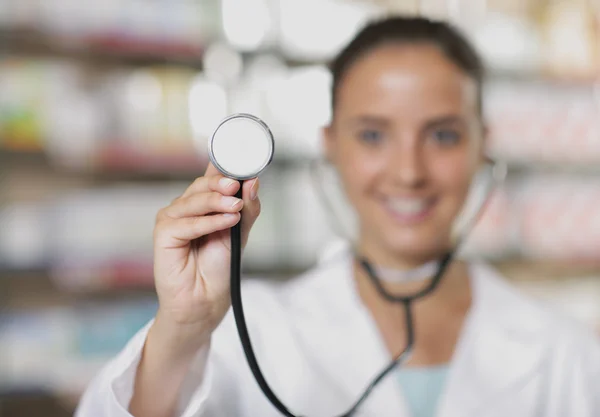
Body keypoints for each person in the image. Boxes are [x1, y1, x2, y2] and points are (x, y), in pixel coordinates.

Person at [75, 16, 600, 417]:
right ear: (330, 147)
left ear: (483, 145)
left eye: (442, 135)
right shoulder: (245, 331)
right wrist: (183, 329)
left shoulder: (565, 351)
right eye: (373, 135)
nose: (409, 172)